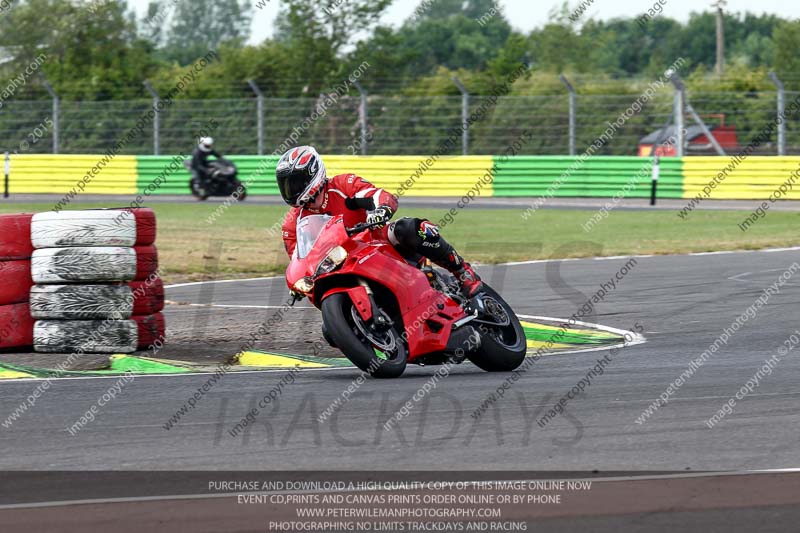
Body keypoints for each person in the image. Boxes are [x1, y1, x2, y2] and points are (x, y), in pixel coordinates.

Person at [276, 145, 482, 297]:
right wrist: (299, 284)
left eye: (294, 182)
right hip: (340, 267)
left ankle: (463, 272)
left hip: (377, 244)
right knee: (330, 333)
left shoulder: (343, 184)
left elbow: (377, 195)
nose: (290, 189)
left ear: (312, 175)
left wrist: (381, 209)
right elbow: (300, 260)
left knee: (408, 228)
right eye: (285, 184)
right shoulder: (292, 224)